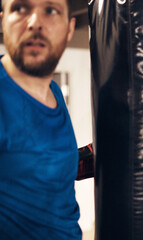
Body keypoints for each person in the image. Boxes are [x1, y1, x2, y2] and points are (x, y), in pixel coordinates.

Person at [0, 0, 81, 239]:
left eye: (51, 10)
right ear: (3, 20)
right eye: (20, 8)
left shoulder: (54, 92)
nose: (35, 22)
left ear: (69, 28)